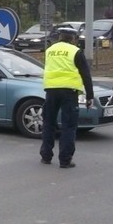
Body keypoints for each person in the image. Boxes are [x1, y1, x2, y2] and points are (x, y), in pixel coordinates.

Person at [40, 26, 94, 168]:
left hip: (51, 90)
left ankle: (46, 156)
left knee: (48, 123)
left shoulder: (49, 51)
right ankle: (65, 160)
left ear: (59, 37)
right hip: (69, 92)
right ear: (73, 39)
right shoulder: (75, 51)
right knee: (68, 126)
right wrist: (90, 96)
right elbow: (86, 75)